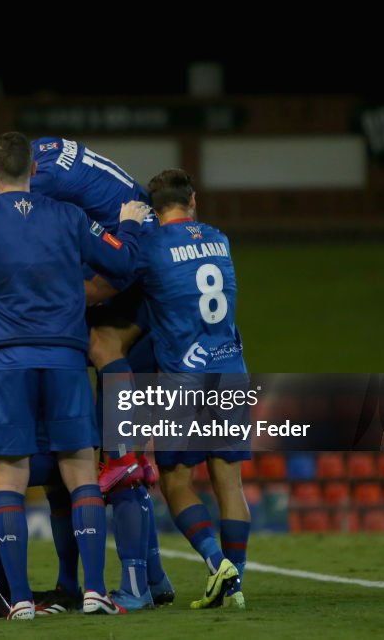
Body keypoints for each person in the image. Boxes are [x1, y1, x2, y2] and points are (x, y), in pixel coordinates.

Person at [0, 132, 149, 620]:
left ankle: (22, 601)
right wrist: (130, 225)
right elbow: (121, 258)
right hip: (65, 358)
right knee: (77, 469)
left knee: (11, 476)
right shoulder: (70, 217)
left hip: (6, 362)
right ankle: (95, 591)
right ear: (34, 171)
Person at [132, 169, 250, 610]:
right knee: (229, 482)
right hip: (231, 368)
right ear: (193, 199)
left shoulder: (149, 248)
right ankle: (235, 588)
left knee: (176, 481)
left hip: (184, 375)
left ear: (153, 208)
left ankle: (219, 563)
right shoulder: (220, 239)